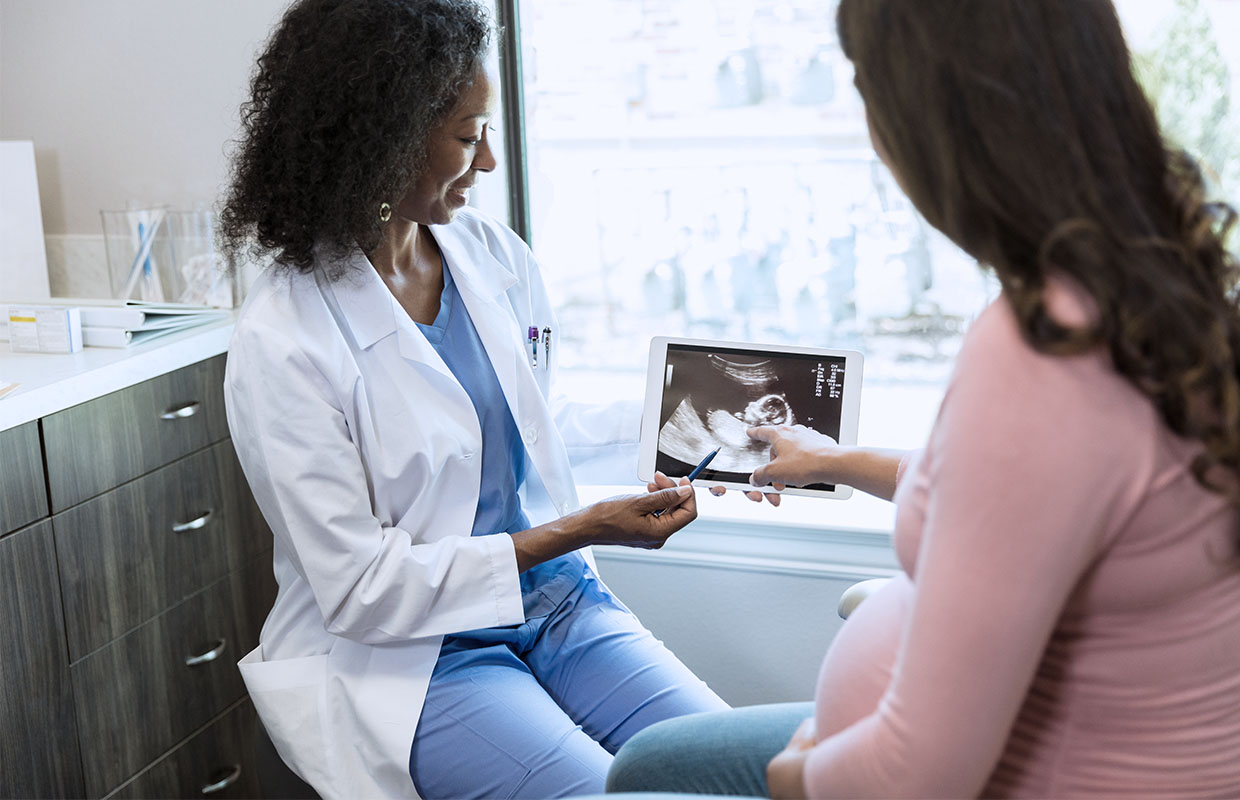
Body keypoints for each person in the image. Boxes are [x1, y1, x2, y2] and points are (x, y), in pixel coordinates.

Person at [608, 0, 1240, 797]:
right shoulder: (1156, 278)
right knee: (645, 761)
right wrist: (838, 461)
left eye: (869, 89)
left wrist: (793, 770)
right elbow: (1026, 501)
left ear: (939, 122)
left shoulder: (1041, 354)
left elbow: (918, 774)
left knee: (641, 783)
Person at [217, 1, 727, 798]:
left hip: (556, 607)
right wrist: (579, 528)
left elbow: (525, 426)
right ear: (382, 136)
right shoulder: (284, 340)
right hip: (417, 656)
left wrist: (707, 429)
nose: (488, 162)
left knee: (739, 772)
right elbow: (362, 589)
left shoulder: (491, 255)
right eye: (466, 135)